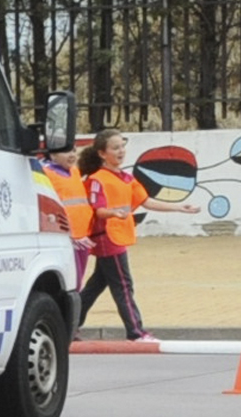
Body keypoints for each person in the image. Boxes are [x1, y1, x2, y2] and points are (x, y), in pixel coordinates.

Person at [77, 127, 200, 341]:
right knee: (123, 285)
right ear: (102, 153)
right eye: (115, 148)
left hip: (118, 236)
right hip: (108, 237)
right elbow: (98, 209)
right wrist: (113, 212)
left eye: (122, 146)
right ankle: (135, 332)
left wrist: (179, 207)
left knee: (97, 285)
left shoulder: (126, 178)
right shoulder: (98, 179)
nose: (121, 151)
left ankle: (69, 326)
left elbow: (146, 201)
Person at [39, 142, 93, 290]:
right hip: (64, 237)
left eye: (74, 151)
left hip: (81, 236)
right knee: (70, 283)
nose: (71, 155)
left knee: (78, 281)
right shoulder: (46, 173)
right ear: (53, 155)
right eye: (66, 152)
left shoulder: (74, 171)